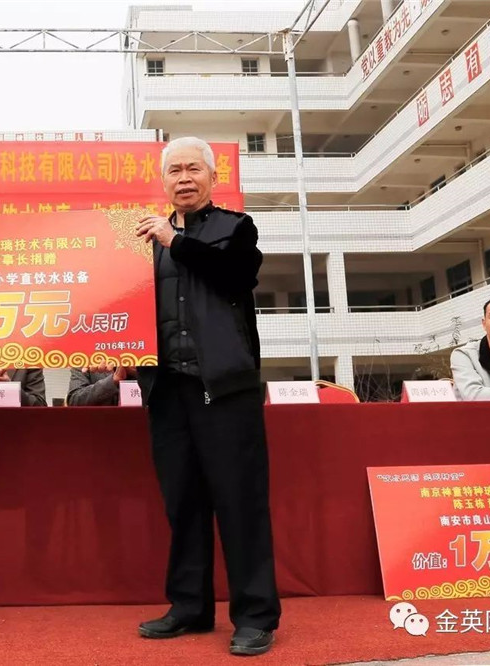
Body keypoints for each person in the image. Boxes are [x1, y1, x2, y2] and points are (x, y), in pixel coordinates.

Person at [131, 137, 280, 656]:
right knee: (183, 502)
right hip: (168, 389)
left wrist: (175, 241)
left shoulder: (236, 228)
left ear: (213, 178)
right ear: (163, 181)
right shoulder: (142, 239)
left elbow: (236, 276)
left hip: (225, 388)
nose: (184, 178)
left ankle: (255, 616)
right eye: (174, 170)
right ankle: (189, 607)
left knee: (240, 503)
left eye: (193, 169)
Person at [66, 364, 136, 406]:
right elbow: (74, 400)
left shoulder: (140, 361)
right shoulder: (85, 363)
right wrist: (113, 380)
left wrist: (138, 374)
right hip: (98, 422)